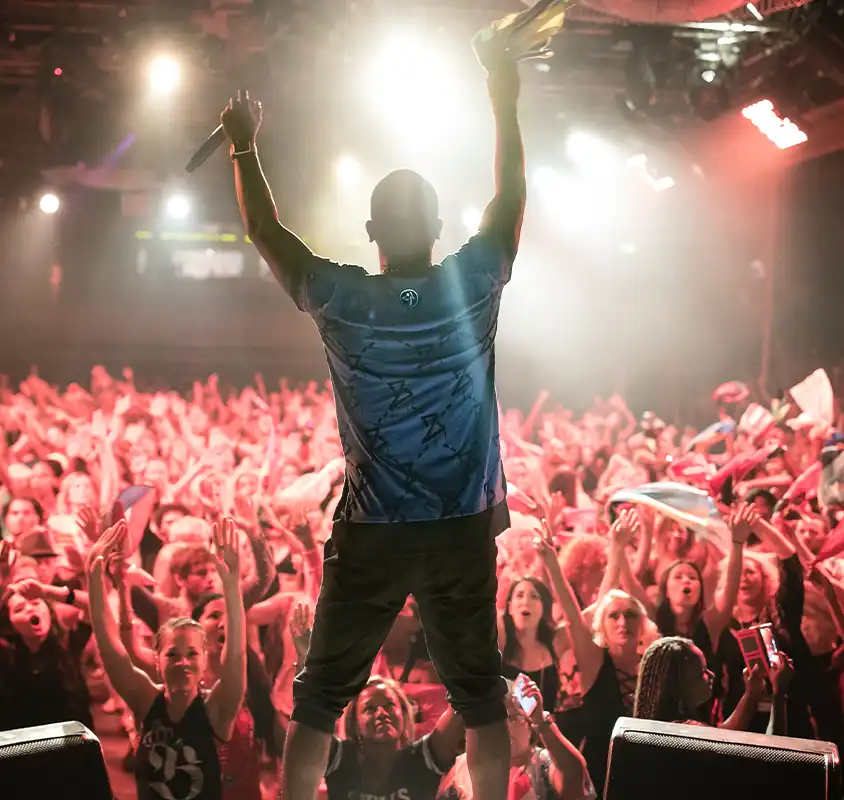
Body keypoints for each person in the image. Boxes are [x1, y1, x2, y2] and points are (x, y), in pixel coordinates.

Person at [221, 43, 526, 800]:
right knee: (480, 699)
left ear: (370, 230)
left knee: (320, 699)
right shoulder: (473, 281)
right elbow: (511, 196)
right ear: (438, 225)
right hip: (459, 525)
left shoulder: (342, 300)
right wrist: (503, 93)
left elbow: (265, 230)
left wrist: (243, 146)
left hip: (372, 529)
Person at [87, 518, 246, 800]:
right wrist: (94, 579)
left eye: (192, 654)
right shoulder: (146, 700)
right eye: (172, 654)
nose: (183, 662)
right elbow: (111, 649)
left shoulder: (216, 711)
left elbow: (236, 657)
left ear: (204, 661)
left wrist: (231, 585)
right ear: (157, 660)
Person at [439, 675, 596, 800]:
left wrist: (541, 721)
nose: (504, 727)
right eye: (495, 719)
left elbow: (575, 777)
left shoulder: (543, 763)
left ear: (529, 725)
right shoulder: (464, 766)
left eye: (512, 718)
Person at [633, 636, 793, 734]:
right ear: (677, 686)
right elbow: (726, 740)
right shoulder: (686, 732)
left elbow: (723, 734)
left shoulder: (658, 728)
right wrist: (778, 693)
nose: (712, 675)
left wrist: (752, 693)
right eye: (701, 672)